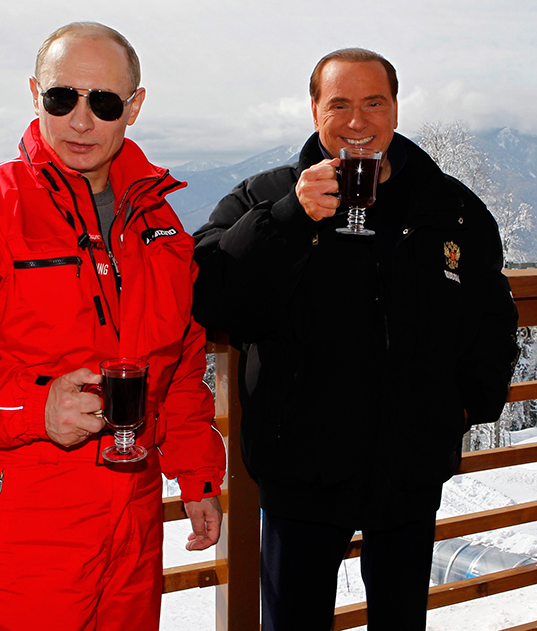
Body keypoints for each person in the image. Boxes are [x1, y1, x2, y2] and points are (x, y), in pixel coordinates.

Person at [0, 22, 226, 631]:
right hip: (28, 512)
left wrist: (194, 473)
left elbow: (182, 361)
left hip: (133, 510)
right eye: (63, 98)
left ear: (133, 108)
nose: (81, 122)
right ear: (35, 94)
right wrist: (36, 407)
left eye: (104, 102)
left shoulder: (156, 219)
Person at [192, 48, 518, 630]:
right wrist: (290, 216)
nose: (357, 121)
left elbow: (492, 312)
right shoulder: (264, 197)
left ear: (395, 108)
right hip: (302, 473)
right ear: (314, 109)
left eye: (374, 102)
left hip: (410, 469)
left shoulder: (448, 207)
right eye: (339, 104)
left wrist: (466, 405)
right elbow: (212, 295)